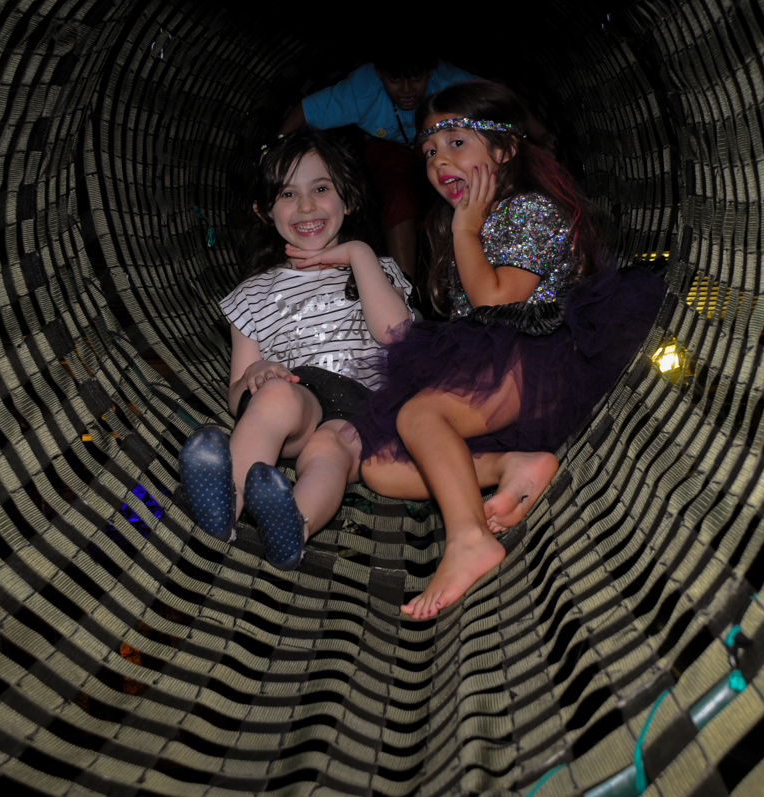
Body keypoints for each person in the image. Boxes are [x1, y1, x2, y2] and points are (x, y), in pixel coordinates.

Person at [352, 82, 667, 618]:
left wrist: (467, 231)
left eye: (456, 142)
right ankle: (511, 466)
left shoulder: (528, 210)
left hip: (545, 357)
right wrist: (463, 232)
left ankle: (469, 539)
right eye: (429, 151)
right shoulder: (461, 226)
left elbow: (496, 299)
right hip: (500, 371)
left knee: (420, 415)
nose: (439, 159)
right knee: (379, 467)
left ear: (504, 150)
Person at [178, 128, 414, 570]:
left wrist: (361, 254)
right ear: (265, 211)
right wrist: (256, 375)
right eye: (288, 194)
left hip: (365, 411)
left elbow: (396, 333)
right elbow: (236, 394)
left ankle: (293, 528)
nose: (306, 206)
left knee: (330, 449)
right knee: (274, 396)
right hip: (299, 398)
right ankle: (225, 508)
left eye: (321, 189)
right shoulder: (251, 295)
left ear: (349, 200)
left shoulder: (376, 269)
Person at [278, 47, 554, 281]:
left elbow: (502, 100)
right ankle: (406, 282)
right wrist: (277, 149)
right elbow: (306, 110)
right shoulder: (360, 90)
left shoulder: (450, 82)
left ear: (430, 72)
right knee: (398, 193)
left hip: (435, 142)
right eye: (395, 78)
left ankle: (455, 258)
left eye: (415, 77)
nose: (407, 89)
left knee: (446, 180)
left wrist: (541, 134)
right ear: (379, 74)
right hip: (385, 144)